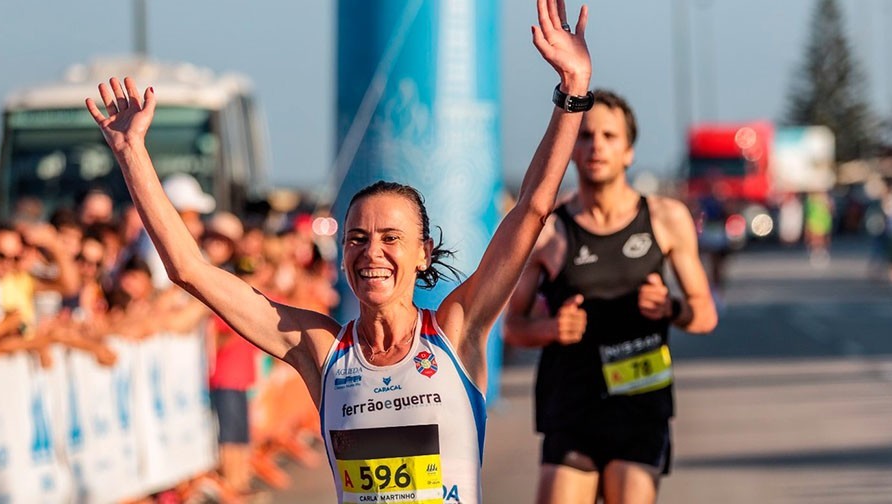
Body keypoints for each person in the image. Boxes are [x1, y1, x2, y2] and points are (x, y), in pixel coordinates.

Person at [84, 1, 592, 501]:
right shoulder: (323, 351)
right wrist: (133, 156)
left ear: (423, 252)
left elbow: (532, 209)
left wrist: (572, 91)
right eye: (357, 238)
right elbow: (190, 270)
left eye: (392, 238)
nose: (373, 252)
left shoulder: (457, 330)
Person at [504, 89, 718, 504]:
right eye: (584, 136)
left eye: (608, 136)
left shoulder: (665, 218)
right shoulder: (549, 231)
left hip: (640, 405)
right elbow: (512, 327)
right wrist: (551, 328)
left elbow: (705, 314)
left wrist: (671, 308)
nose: (596, 145)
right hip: (571, 406)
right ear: (571, 149)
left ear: (629, 152)